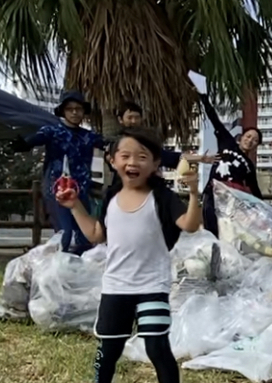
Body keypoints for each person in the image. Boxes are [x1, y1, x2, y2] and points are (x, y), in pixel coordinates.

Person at [55, 127, 202, 383]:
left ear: (155, 164)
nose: (133, 162)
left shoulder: (162, 197)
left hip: (152, 285)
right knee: (109, 350)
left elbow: (189, 225)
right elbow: (96, 235)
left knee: (157, 347)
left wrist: (192, 194)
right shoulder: (110, 196)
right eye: (125, 156)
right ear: (113, 161)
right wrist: (74, 205)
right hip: (116, 286)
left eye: (142, 157)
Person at [15, 91, 108, 253]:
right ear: (63, 111)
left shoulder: (90, 137)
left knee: (84, 237)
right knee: (65, 236)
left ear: (83, 111)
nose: (74, 112)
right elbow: (36, 139)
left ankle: (77, 273)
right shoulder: (52, 132)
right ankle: (58, 271)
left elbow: (110, 146)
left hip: (81, 192)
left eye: (78, 109)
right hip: (58, 191)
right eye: (70, 109)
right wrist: (24, 144)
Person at [197, 92, 263, 236]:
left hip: (230, 203)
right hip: (212, 195)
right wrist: (203, 96)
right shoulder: (227, 142)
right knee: (211, 231)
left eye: (255, 140)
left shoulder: (248, 165)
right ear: (242, 136)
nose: (250, 140)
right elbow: (214, 119)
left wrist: (265, 210)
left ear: (256, 145)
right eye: (248, 136)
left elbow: (255, 190)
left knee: (227, 234)